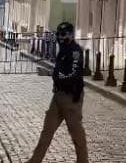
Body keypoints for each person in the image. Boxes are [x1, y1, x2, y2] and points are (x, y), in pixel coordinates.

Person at [25, 22, 88, 163]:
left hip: (72, 97)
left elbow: (74, 72)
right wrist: (50, 73)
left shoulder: (76, 51)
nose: (60, 37)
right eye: (59, 34)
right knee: (47, 131)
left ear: (71, 35)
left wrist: (58, 76)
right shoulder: (62, 50)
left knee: (76, 133)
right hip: (58, 96)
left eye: (64, 34)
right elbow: (59, 70)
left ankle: (83, 161)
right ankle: (35, 160)